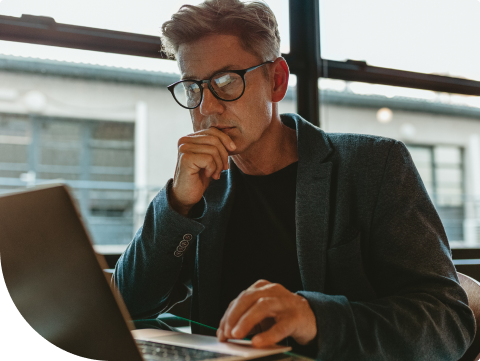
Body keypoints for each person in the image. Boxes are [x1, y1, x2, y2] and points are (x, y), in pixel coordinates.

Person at [113, 0, 475, 359]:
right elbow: (127, 305)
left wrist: (317, 318)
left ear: (277, 80)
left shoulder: (376, 166)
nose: (206, 107)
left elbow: (448, 322)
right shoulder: (201, 187)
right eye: (193, 87)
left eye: (225, 81)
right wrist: (178, 203)